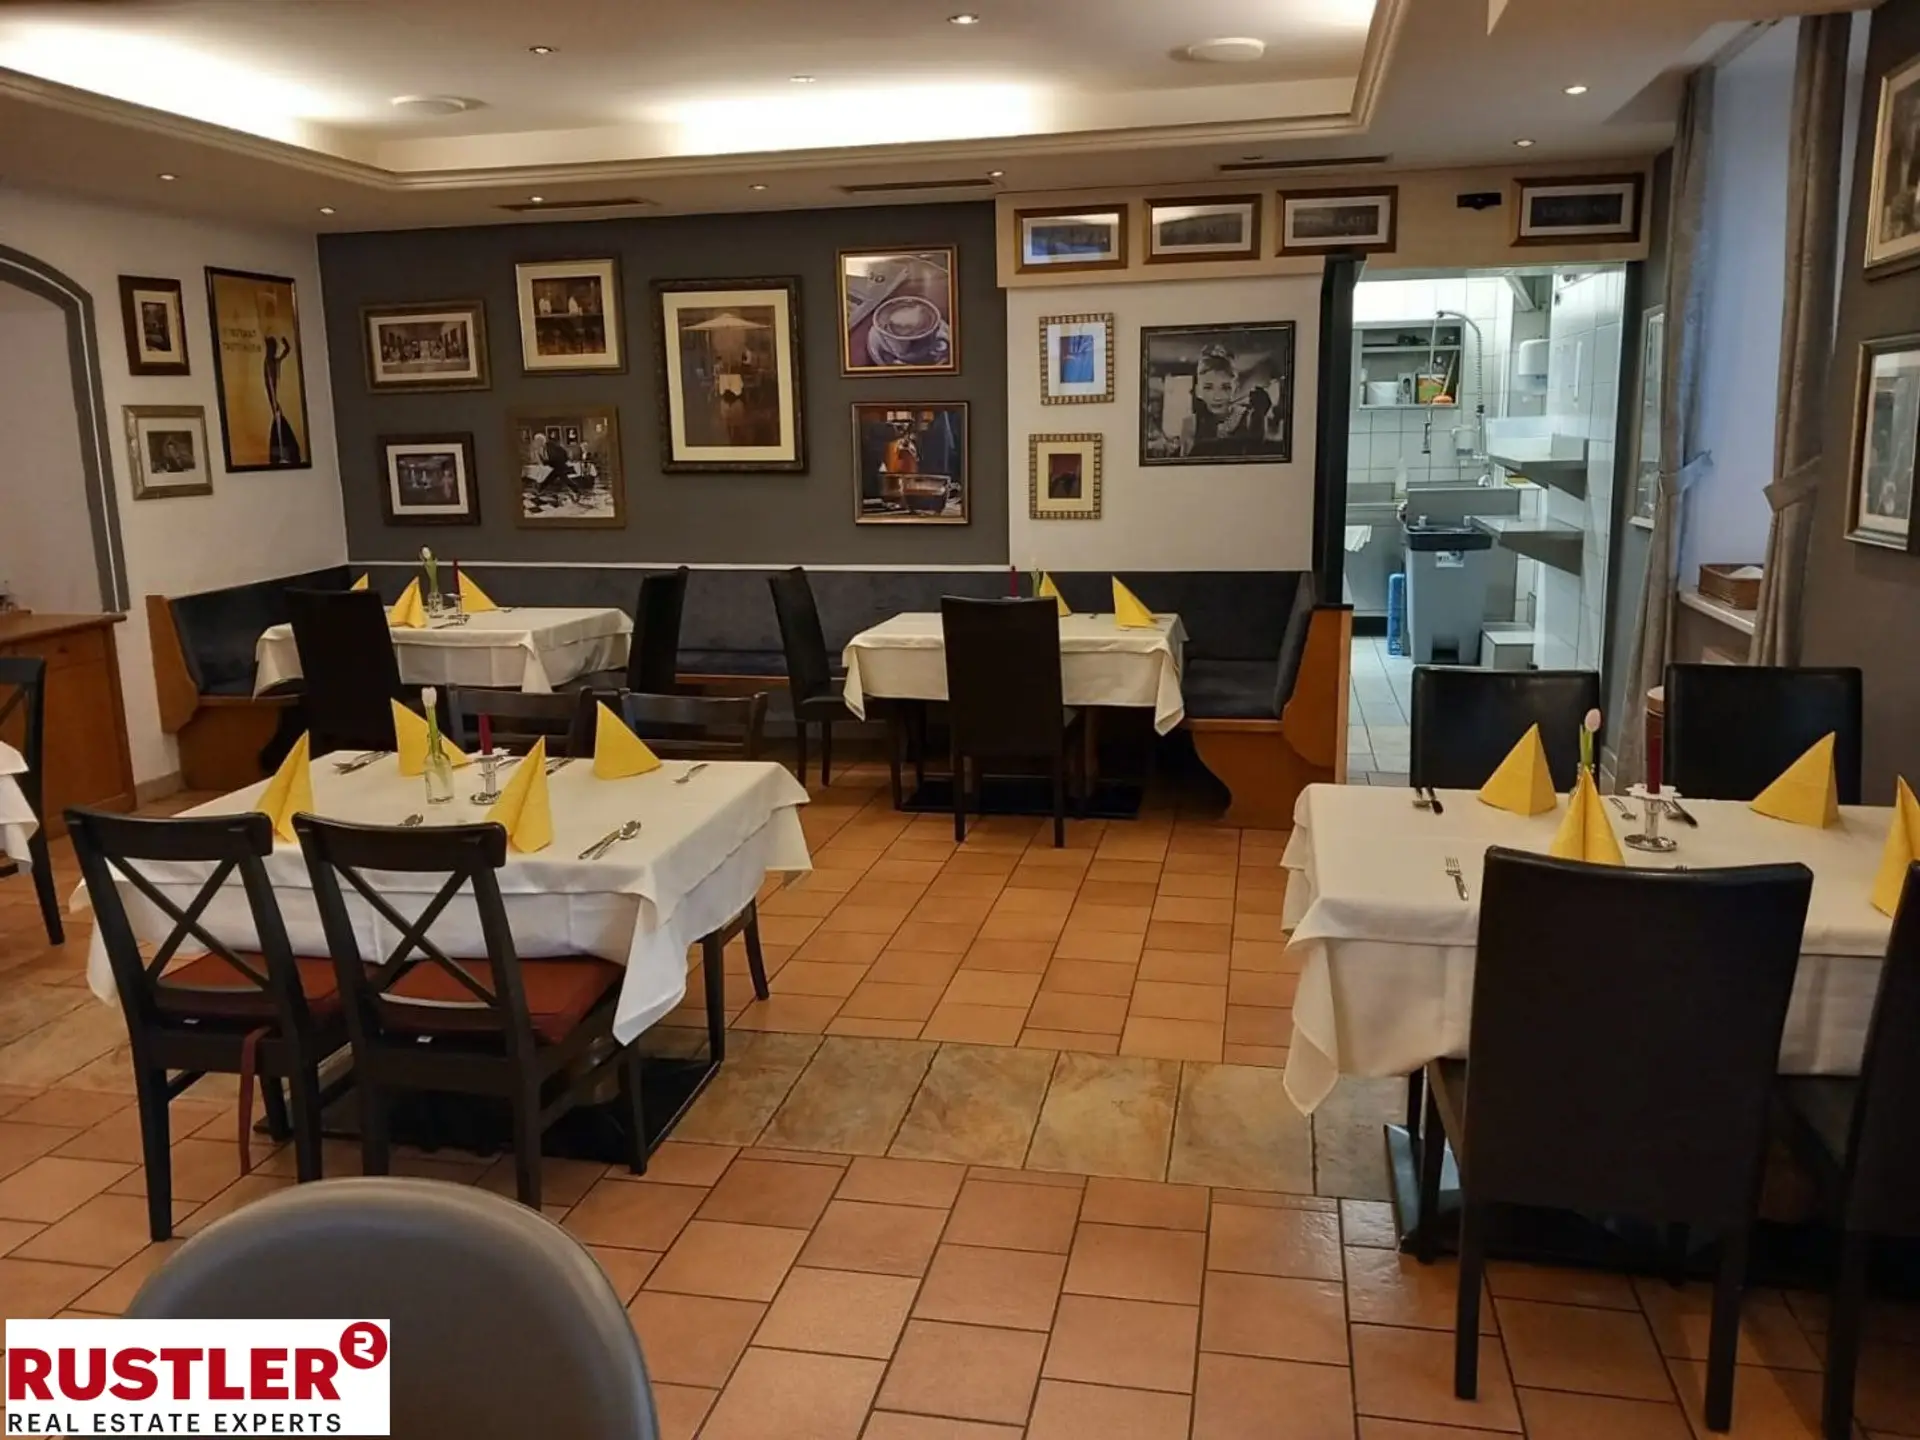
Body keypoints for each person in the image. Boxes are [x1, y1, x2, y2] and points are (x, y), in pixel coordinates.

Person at [1179, 345, 1273, 458]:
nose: (1217, 396)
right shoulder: (1190, 424)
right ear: (1198, 390)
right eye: (1208, 387)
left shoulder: (1250, 417)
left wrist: (1260, 417)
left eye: (1225, 387)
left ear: (1236, 388)